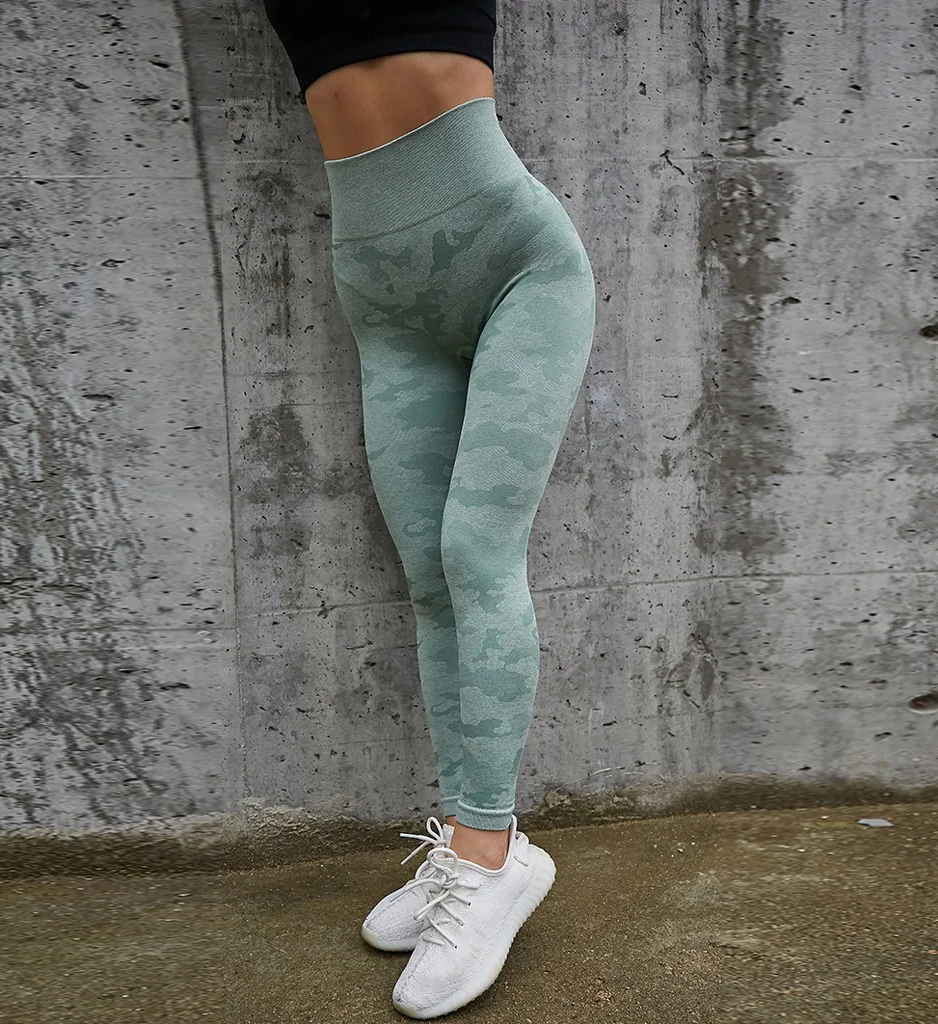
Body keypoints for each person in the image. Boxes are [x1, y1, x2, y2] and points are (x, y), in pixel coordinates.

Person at [262, 1, 597, 1016]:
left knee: (477, 553)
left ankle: (489, 855)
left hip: (514, 263)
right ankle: (473, 843)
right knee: (428, 577)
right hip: (382, 295)